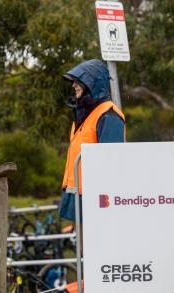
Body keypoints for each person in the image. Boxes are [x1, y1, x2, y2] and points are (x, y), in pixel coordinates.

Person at [59, 59, 126, 222]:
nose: (73, 85)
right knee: (81, 247)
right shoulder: (85, 114)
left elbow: (112, 166)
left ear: (92, 83)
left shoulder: (109, 115)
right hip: (79, 194)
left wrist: (104, 206)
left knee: (94, 247)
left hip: (97, 201)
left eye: (78, 81)